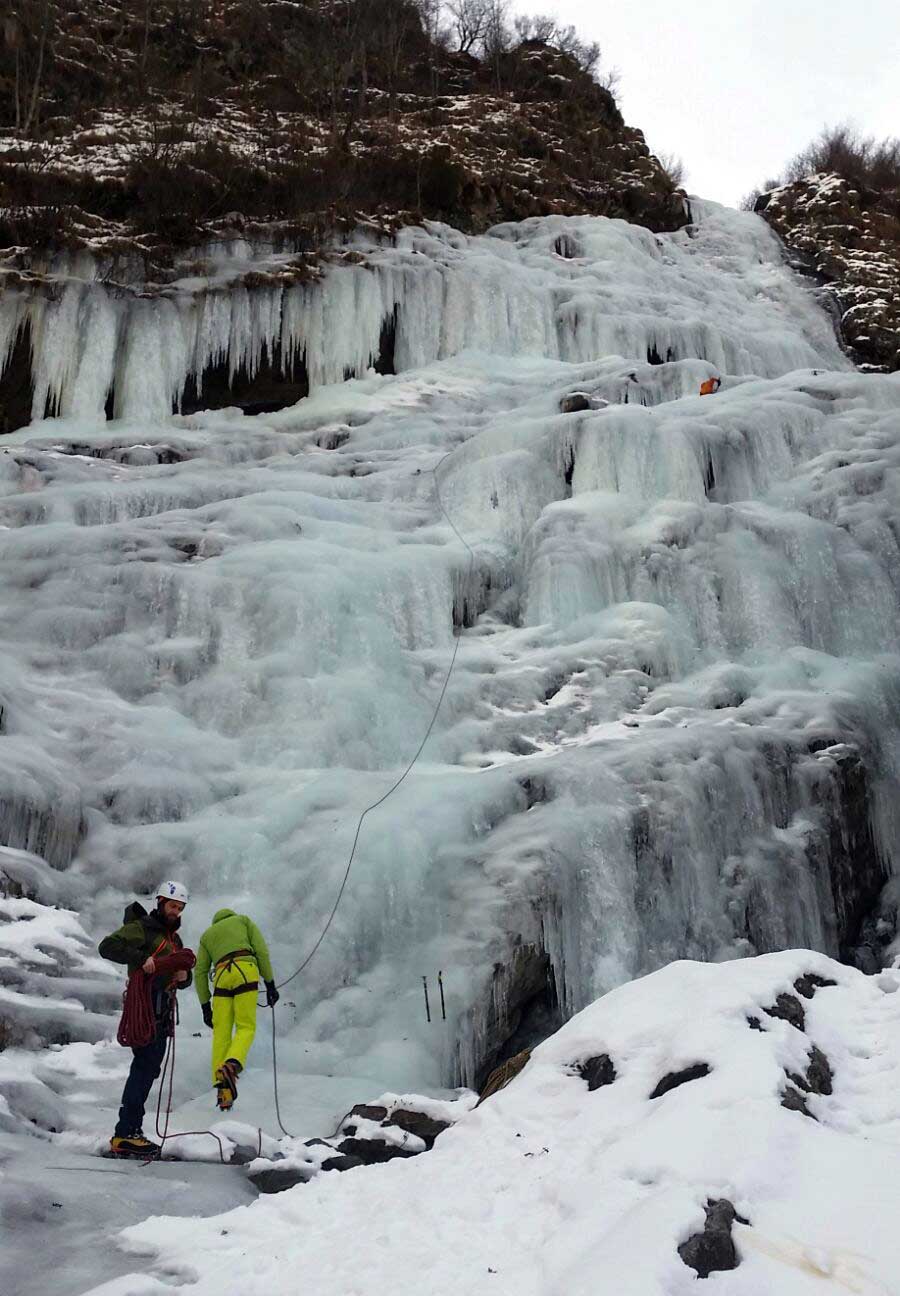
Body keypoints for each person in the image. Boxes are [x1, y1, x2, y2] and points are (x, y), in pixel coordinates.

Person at [98, 880, 195, 1157]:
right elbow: (108, 946)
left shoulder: (175, 941)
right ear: (160, 903)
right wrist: (141, 959)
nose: (175, 911)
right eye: (172, 905)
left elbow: (180, 972)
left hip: (162, 1009)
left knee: (149, 1068)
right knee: (144, 1067)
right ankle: (126, 1132)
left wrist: (184, 977)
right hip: (145, 1006)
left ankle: (131, 1130)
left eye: (179, 908)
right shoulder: (143, 928)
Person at [194, 908, 279, 1110]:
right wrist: (270, 984)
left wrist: (205, 1006)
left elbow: (200, 972)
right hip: (245, 970)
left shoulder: (207, 936)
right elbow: (261, 951)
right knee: (245, 1027)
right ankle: (232, 1065)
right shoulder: (243, 920)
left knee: (221, 1033)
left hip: (222, 976)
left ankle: (223, 1092)